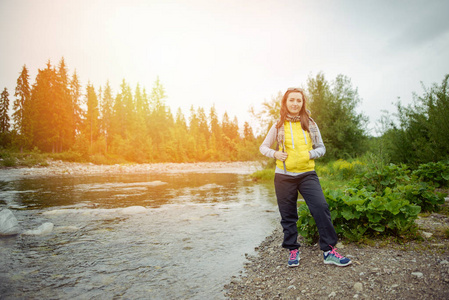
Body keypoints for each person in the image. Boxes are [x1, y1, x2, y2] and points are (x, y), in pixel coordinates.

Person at [259, 87, 351, 268]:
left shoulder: (310, 124)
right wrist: (275, 154)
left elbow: (321, 148)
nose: (295, 103)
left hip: (307, 174)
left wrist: (309, 155)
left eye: (298, 100)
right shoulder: (277, 125)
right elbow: (263, 147)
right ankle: (293, 250)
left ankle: (329, 251)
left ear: (302, 103)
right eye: (291, 100)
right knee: (288, 215)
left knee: (321, 207)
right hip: (283, 176)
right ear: (285, 103)